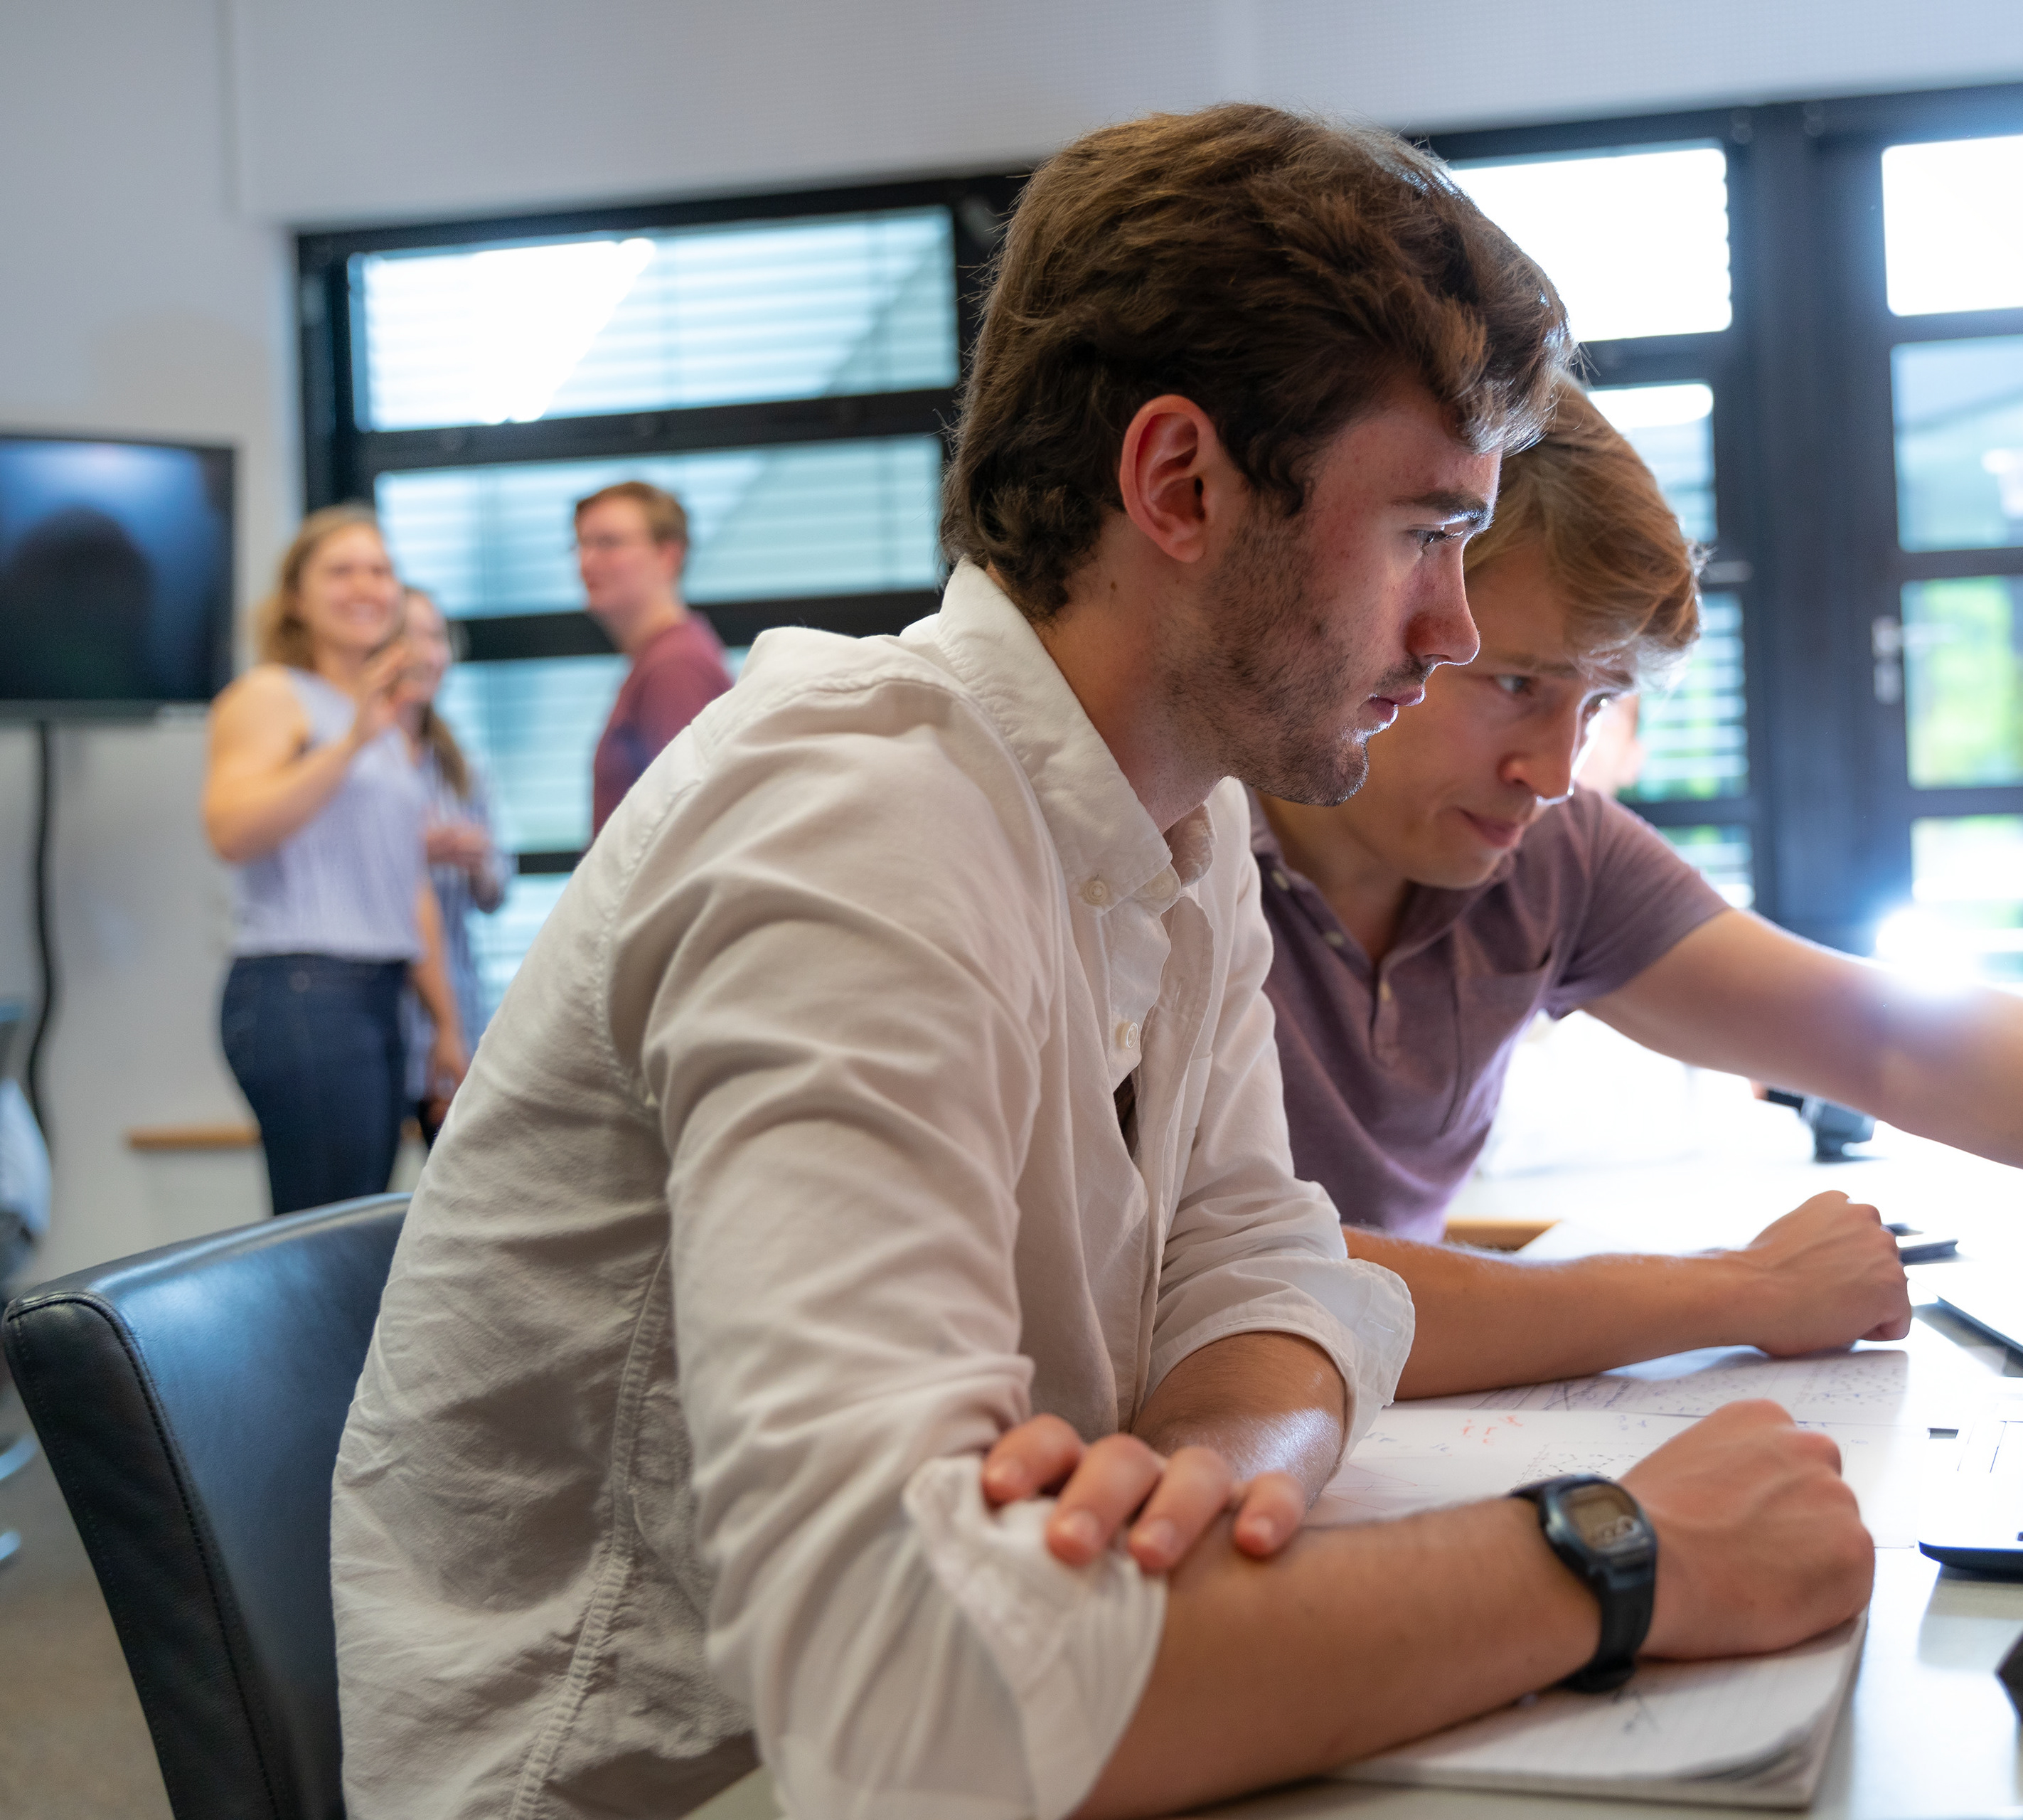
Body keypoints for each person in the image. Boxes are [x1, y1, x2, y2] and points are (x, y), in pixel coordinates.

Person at [331, 105, 1874, 1820]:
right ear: (1179, 485)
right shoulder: (858, 818)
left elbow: (1258, 1263)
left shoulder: (1176, 820)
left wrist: (1211, 1472)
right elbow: (904, 1700)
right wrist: (1619, 1555)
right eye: (1428, 532)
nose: (1451, 631)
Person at [1256, 381, 2023, 1398]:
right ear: (1394, 608)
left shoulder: (1548, 850)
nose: (1554, 770)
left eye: (1599, 705)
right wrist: (1738, 1291)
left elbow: (1891, 1043)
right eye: (1519, 684)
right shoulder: (1180, 857)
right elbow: (1235, 1286)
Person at [203, 508, 470, 1215]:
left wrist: (445, 1024)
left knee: (352, 1226)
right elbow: (231, 830)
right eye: (341, 570)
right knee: (321, 1238)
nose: (366, 587)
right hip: (300, 988)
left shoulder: (385, 720)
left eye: (380, 570)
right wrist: (350, 742)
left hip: (377, 993)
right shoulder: (273, 696)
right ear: (296, 596)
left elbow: (403, 881)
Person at [395, 588, 511, 1141]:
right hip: (383, 1015)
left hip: (458, 1012)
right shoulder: (358, 759)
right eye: (408, 634)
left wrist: (477, 859)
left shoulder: (462, 766)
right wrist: (413, 851)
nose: (426, 652)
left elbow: (495, 893)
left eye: (436, 636)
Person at [577, 479, 733, 836]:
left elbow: (688, 826)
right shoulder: (659, 657)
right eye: (582, 544)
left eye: (608, 543)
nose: (586, 562)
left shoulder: (675, 667)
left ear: (668, 555)